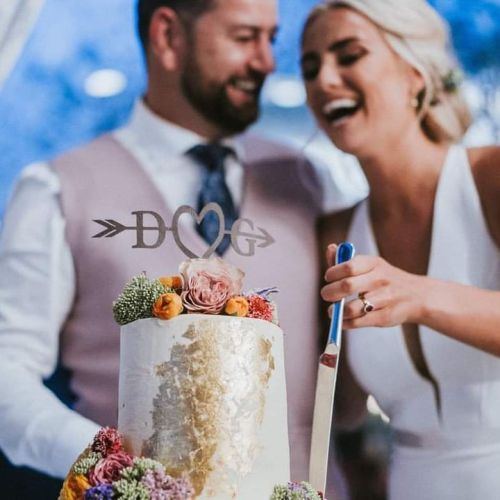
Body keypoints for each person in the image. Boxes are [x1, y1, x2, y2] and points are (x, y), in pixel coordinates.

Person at [0, 0, 365, 498]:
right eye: (244, 38)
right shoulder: (56, 189)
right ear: (168, 36)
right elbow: (6, 374)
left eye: (270, 38)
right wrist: (117, 468)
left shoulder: (311, 180)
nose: (265, 61)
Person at [300, 0, 500, 499]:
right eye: (310, 67)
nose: (324, 79)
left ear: (415, 75)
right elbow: (341, 409)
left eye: (349, 55)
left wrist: (419, 295)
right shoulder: (336, 230)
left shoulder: (491, 178)